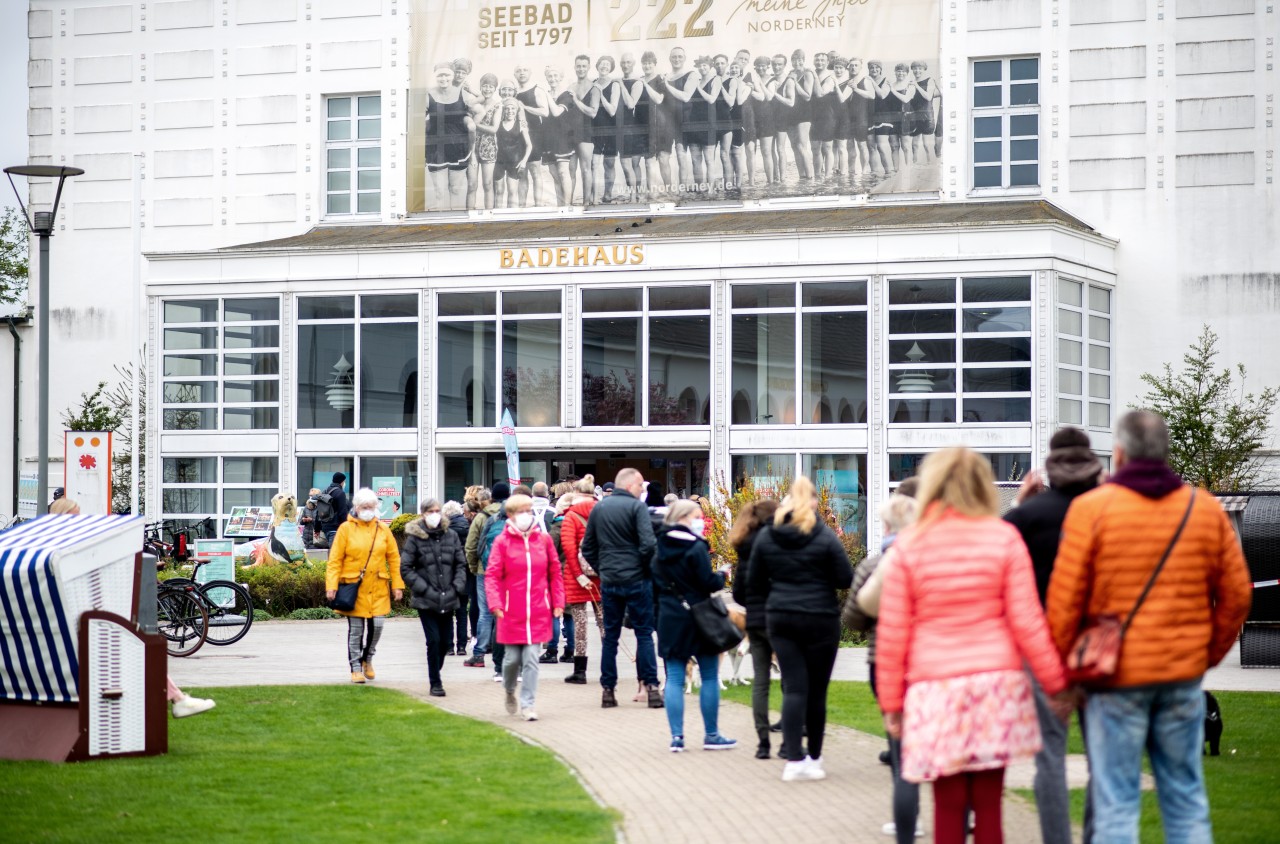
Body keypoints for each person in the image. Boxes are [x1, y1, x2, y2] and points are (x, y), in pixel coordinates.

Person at [1047, 410, 1252, 844]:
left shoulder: (1091, 509)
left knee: (1116, 802)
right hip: (1181, 675)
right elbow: (1237, 595)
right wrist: (1206, 655)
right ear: (1165, 452)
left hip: (1114, 680)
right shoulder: (1204, 508)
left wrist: (1064, 673)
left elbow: (1064, 602)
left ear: (1118, 453)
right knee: (1185, 799)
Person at [876, 448, 1068, 844]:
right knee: (989, 805)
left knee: (947, 806)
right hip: (995, 686)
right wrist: (1055, 682)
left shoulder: (909, 546)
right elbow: (1029, 620)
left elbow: (893, 633)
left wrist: (892, 703)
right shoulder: (1003, 538)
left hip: (935, 689)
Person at [1003, 427, 1102, 844]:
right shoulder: (1109, 510)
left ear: (1050, 465)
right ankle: (1098, 834)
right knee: (1105, 758)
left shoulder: (1028, 516)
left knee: (1050, 756)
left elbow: (994, 547)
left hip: (1043, 647)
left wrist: (1019, 504)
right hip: (1102, 645)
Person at [745, 476, 853, 781]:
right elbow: (845, 577)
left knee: (794, 688)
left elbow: (753, 582)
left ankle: (793, 759)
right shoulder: (825, 536)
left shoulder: (768, 536)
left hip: (781, 617)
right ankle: (814, 758)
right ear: (815, 503)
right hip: (820, 618)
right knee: (816, 692)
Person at [848, 491, 921, 843]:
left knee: (900, 746)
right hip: (928, 661)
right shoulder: (933, 559)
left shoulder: (876, 565)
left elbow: (854, 617)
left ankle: (909, 820)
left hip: (886, 658)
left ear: (889, 525)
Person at [654, 500, 737, 752]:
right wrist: (722, 575)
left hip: (670, 613)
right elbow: (707, 582)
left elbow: (653, 582)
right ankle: (711, 734)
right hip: (700, 614)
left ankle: (676, 737)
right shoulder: (696, 547)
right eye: (697, 516)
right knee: (709, 674)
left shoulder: (657, 546)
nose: (700, 520)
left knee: (675, 677)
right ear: (686, 517)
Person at [579, 468, 660, 709]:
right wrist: (643, 569)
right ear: (630, 485)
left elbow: (588, 547)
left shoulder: (600, 509)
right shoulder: (637, 508)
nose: (641, 491)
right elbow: (648, 544)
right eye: (640, 487)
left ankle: (608, 690)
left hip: (611, 581)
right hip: (637, 579)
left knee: (610, 637)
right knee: (644, 634)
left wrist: (603, 570)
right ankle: (652, 687)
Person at [486, 494, 566, 721]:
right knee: (511, 661)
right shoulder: (502, 542)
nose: (526, 515)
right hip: (511, 611)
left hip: (538, 609)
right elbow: (492, 576)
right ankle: (510, 690)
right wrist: (496, 603)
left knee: (531, 659)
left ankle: (528, 704)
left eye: (529, 510)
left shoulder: (544, 540)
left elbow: (554, 573)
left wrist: (558, 601)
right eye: (522, 511)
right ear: (510, 514)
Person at [325, 488, 404, 684]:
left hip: (378, 586)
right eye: (365, 507)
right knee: (357, 630)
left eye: (371, 507)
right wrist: (331, 585)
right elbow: (335, 560)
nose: (369, 510)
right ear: (357, 508)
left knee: (377, 626)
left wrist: (398, 585)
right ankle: (355, 668)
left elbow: (394, 558)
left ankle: (368, 659)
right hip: (354, 587)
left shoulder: (383, 530)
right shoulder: (345, 529)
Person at [400, 499, 467, 697]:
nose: (435, 514)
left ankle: (436, 670)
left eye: (438, 510)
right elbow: (406, 568)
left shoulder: (451, 535)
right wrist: (424, 589)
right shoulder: (415, 538)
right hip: (426, 599)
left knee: (446, 642)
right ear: (423, 514)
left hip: (448, 596)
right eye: (431, 511)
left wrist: (456, 587)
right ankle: (435, 682)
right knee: (434, 641)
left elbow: (460, 564)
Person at [729, 497, 779, 759]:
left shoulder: (744, 545)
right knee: (791, 676)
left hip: (756, 619)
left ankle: (763, 742)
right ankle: (790, 733)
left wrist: (754, 603)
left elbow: (738, 592)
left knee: (761, 680)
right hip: (780, 617)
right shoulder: (779, 542)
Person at [560, 475, 604, 684]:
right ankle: (608, 667)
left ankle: (580, 671)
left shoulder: (572, 516)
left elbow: (569, 548)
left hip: (576, 577)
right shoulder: (604, 512)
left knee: (580, 625)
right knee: (605, 622)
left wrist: (578, 575)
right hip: (602, 575)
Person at [463, 485, 501, 668]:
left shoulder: (480, 517)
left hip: (484, 571)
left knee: (485, 612)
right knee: (505, 612)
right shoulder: (514, 515)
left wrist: (473, 566)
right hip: (509, 571)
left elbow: (470, 547)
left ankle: (479, 655)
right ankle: (503, 652)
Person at [444, 500, 472, 655]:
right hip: (465, 575)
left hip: (448, 577)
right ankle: (462, 647)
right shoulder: (469, 527)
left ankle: (449, 647)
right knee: (462, 612)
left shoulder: (444, 530)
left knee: (448, 612)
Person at [321, 472, 350, 543]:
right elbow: (343, 512)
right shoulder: (340, 493)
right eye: (344, 481)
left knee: (333, 551)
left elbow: (319, 510)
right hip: (335, 527)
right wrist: (346, 528)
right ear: (342, 482)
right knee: (335, 552)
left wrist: (317, 528)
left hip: (325, 527)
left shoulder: (325, 491)